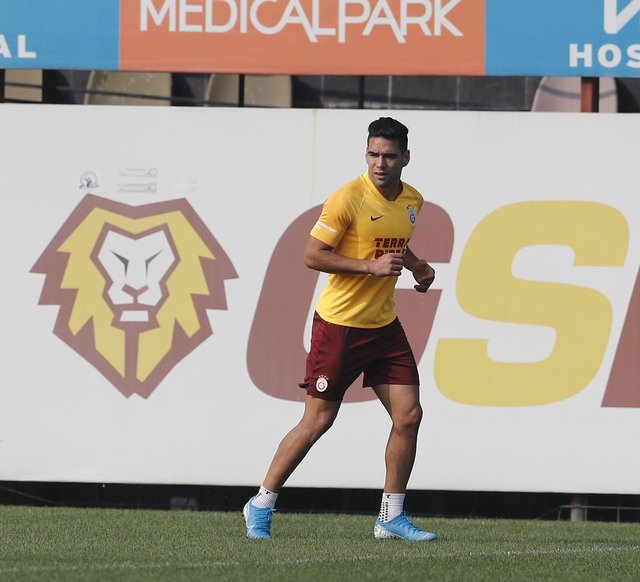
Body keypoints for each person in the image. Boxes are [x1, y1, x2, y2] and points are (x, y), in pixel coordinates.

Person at [243, 117, 437, 542]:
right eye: (373, 154)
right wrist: (370, 268)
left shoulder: (412, 200)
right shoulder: (347, 198)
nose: (379, 163)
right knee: (318, 420)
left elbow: (393, 241)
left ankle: (390, 516)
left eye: (389, 156)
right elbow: (313, 255)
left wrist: (416, 265)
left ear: (406, 158)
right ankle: (261, 503)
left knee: (409, 416)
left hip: (384, 327)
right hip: (339, 327)